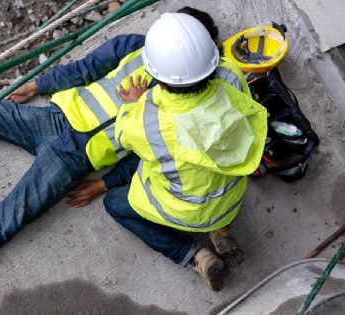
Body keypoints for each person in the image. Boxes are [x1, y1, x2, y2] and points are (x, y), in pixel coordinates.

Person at [0, 8, 222, 261]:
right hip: (54, 117)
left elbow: (149, 157)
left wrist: (104, 184)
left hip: (75, 157)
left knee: (5, 220)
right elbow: (86, 68)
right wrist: (39, 85)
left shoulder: (183, 104)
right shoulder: (136, 46)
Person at [103, 13, 267, 291]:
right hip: (231, 196)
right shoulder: (232, 74)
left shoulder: (148, 120)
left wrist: (132, 104)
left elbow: (122, 137)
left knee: (114, 204)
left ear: (158, 78)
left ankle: (197, 257)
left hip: (185, 210)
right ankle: (219, 231)